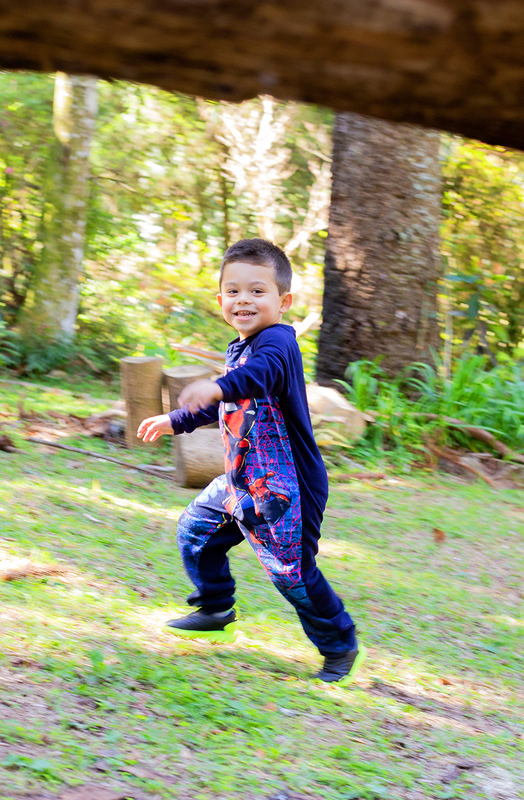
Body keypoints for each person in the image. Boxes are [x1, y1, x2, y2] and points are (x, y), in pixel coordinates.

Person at [136, 238, 362, 683]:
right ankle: (215, 609)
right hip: (242, 479)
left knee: (291, 573)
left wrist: (219, 386)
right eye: (234, 291)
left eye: (258, 291)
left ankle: (339, 645)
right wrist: (175, 419)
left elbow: (258, 378)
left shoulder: (278, 343)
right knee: (195, 529)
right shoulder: (239, 348)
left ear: (284, 301)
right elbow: (226, 403)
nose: (244, 300)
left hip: (286, 487)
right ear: (220, 299)